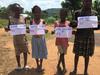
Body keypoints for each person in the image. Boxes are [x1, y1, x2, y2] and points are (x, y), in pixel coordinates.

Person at [70, 0, 97, 75]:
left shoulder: (94, 13)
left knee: (87, 55)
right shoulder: (77, 13)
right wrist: (73, 25)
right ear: (83, 2)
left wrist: (97, 25)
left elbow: (95, 27)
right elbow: (74, 24)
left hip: (89, 37)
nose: (88, 3)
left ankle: (85, 71)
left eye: (90, 1)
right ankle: (75, 70)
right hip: (79, 36)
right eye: (86, 1)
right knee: (77, 54)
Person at [6, 3, 29, 70]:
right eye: (16, 10)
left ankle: (25, 65)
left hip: (23, 38)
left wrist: (29, 29)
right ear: (13, 10)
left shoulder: (23, 18)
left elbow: (25, 27)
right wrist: (7, 29)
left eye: (19, 10)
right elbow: (9, 28)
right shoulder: (10, 19)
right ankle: (19, 65)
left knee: (25, 51)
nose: (18, 11)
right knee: (17, 52)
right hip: (16, 39)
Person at [30, 5, 48, 72]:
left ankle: (41, 65)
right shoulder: (31, 21)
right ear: (33, 13)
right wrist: (29, 30)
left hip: (41, 39)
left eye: (39, 11)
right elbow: (31, 30)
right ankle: (37, 64)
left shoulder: (43, 21)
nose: (38, 13)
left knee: (42, 51)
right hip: (34, 39)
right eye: (36, 12)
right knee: (36, 51)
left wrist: (45, 31)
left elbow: (44, 29)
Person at [54, 8, 71, 73]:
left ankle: (58, 65)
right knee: (62, 54)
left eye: (64, 14)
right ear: (59, 14)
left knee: (63, 54)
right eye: (61, 14)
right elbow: (55, 31)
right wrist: (54, 32)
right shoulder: (56, 23)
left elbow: (70, 31)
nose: (62, 15)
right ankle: (64, 67)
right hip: (59, 42)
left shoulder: (68, 23)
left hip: (65, 42)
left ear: (66, 15)